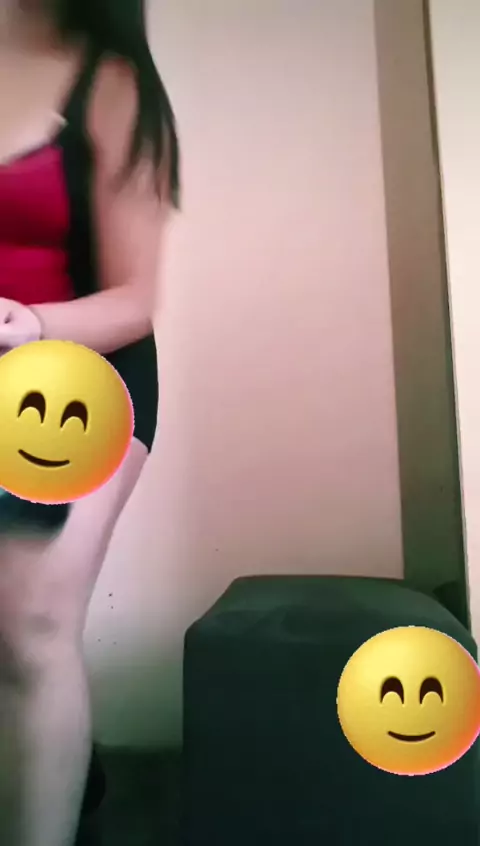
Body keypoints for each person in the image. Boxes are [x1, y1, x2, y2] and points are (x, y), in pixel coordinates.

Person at [0, 1, 179, 845]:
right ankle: (72, 771)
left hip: (75, 372)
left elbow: (135, 299)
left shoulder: (109, 83)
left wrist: (31, 325)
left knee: (30, 624)